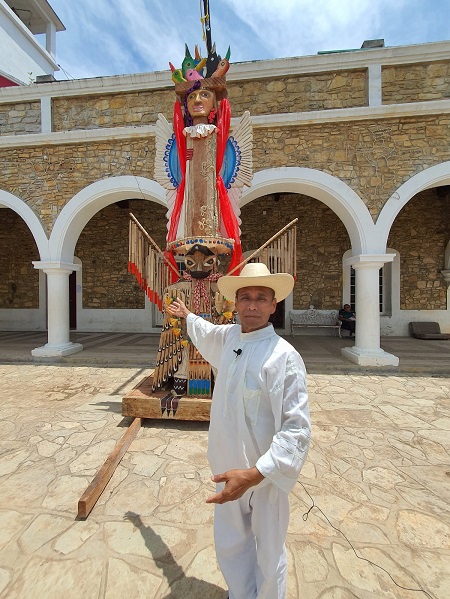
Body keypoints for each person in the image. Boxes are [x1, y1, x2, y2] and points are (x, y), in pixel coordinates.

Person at [166, 262, 311, 599]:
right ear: (235, 302)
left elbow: (296, 430)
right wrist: (187, 314)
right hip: (225, 471)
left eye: (261, 298)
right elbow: (205, 331)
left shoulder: (284, 358)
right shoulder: (230, 336)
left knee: (268, 550)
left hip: (263, 478)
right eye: (245, 296)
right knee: (232, 544)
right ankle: (241, 593)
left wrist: (256, 473)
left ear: (274, 305)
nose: (251, 305)